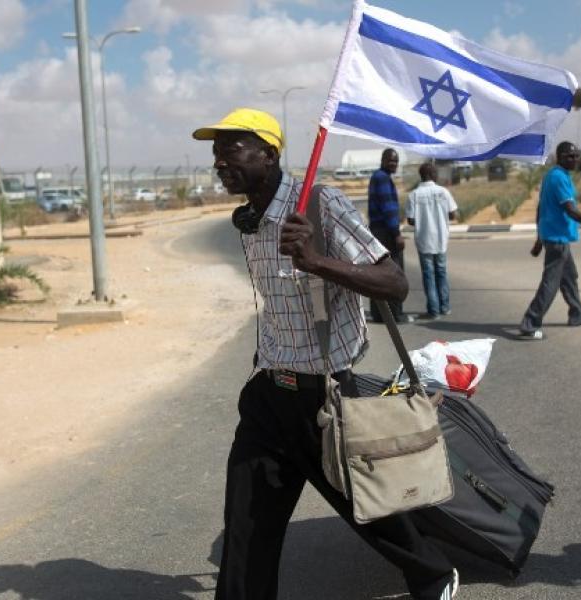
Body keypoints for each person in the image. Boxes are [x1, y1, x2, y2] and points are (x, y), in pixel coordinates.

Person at [192, 108, 458, 600]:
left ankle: (434, 574)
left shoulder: (320, 203)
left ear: (268, 154)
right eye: (215, 153)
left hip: (324, 397)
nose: (219, 162)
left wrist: (316, 261)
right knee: (247, 525)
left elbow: (394, 283)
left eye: (231, 150)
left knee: (368, 507)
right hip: (269, 392)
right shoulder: (250, 219)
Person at [520, 141, 581, 340]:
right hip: (557, 239)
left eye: (576, 156)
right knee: (550, 283)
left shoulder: (553, 175)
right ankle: (529, 323)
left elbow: (541, 208)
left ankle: (576, 315)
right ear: (559, 157)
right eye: (569, 156)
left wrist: (539, 239)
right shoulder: (559, 178)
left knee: (570, 277)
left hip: (553, 236)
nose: (574, 160)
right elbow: (570, 210)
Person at [406, 162, 458, 319]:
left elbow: (411, 220)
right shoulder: (443, 192)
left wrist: (424, 218)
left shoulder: (413, 195)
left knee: (429, 275)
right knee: (441, 272)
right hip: (441, 239)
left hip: (424, 240)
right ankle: (445, 307)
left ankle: (433, 310)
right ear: (433, 175)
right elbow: (453, 215)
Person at [368, 148, 414, 323]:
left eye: (396, 161)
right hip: (386, 233)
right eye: (391, 161)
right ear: (383, 160)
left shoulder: (379, 177)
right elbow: (388, 210)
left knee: (379, 272)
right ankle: (395, 314)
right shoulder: (382, 178)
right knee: (394, 273)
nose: (394, 164)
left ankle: (380, 314)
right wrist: (396, 234)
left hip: (379, 231)